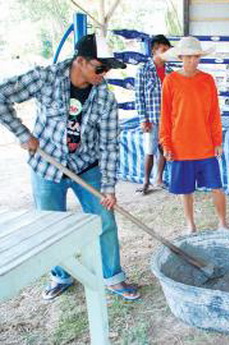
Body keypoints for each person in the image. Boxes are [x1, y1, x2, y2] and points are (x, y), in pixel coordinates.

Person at [0, 34, 140, 301]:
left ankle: (113, 277)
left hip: (87, 167)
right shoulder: (45, 78)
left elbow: (109, 144)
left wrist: (108, 188)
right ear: (80, 61)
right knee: (50, 225)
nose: (105, 73)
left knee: (104, 221)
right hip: (46, 166)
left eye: (108, 68)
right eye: (100, 67)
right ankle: (60, 276)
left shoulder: (104, 98)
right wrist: (22, 134)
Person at [160, 36, 228, 233]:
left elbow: (214, 113)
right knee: (185, 189)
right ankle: (190, 224)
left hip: (205, 144)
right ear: (180, 56)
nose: (192, 61)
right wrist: (166, 144)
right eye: (188, 57)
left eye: (196, 57)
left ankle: (222, 222)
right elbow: (165, 116)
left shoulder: (207, 80)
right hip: (180, 145)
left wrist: (217, 141)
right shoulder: (170, 81)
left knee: (217, 186)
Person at [135, 34, 172, 195]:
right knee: (149, 150)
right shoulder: (143, 70)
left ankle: (159, 179)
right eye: (163, 50)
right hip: (151, 119)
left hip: (167, 119)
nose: (166, 53)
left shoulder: (171, 72)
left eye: (167, 50)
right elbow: (138, 96)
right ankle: (145, 182)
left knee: (164, 148)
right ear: (154, 51)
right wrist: (143, 119)